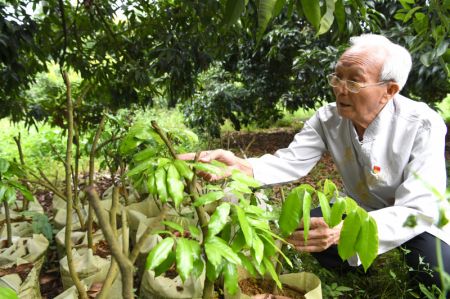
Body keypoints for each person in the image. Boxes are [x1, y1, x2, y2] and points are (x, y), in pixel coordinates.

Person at [179, 34, 450, 289]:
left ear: (389, 90)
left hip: (414, 220)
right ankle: (356, 265)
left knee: (438, 274)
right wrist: (242, 165)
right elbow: (291, 160)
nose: (341, 90)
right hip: (359, 209)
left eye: (354, 81)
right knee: (308, 227)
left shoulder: (423, 124)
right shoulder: (328, 118)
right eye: (337, 77)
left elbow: (419, 207)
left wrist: (346, 230)